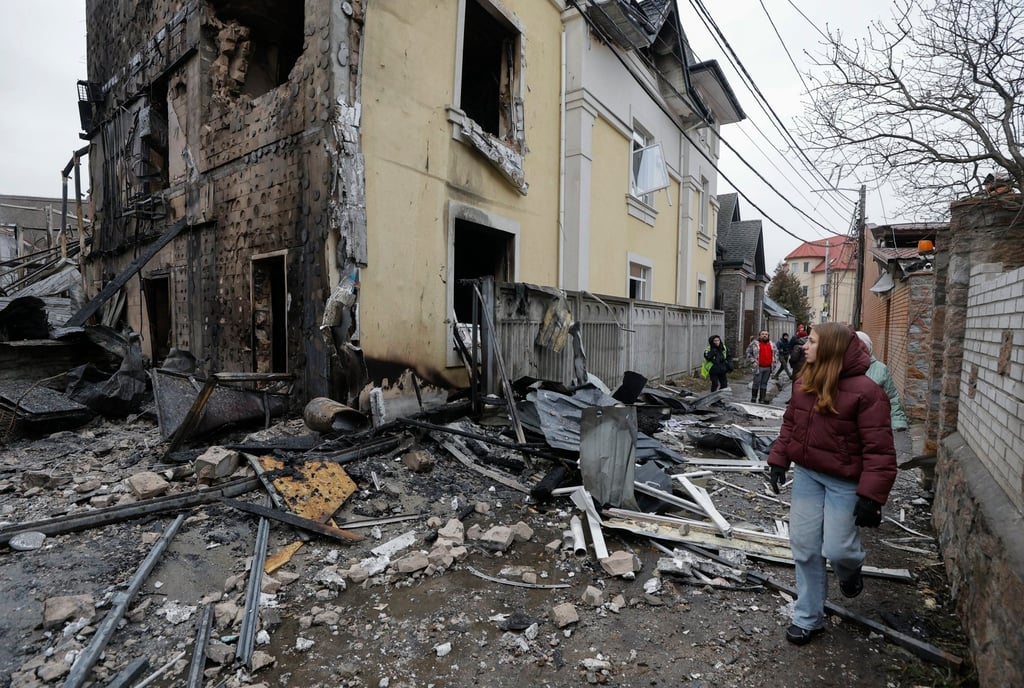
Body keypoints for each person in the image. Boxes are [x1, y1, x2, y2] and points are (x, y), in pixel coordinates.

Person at [766, 322, 897, 646]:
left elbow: (879, 450)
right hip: (809, 475)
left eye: (811, 342)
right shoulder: (804, 382)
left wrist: (872, 497)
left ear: (830, 349)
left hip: (845, 482)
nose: (804, 346)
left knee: (838, 549)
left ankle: (850, 570)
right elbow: (791, 426)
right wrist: (778, 460)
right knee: (805, 546)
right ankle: (808, 618)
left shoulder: (867, 393)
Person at [856, 332, 913, 465]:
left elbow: (892, 396)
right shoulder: (843, 367)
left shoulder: (881, 369)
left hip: (876, 424)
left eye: (863, 346)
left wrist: (898, 421)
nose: (860, 350)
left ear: (869, 348)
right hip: (852, 424)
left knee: (873, 458)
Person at [745, 330, 777, 403]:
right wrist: (753, 361)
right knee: (756, 383)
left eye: (766, 334)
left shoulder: (772, 344)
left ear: (768, 336)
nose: (764, 335)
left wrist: (774, 362)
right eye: (762, 334)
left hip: (768, 367)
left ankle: (762, 399)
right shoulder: (754, 344)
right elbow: (748, 353)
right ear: (759, 335)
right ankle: (753, 398)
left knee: (764, 383)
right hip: (758, 367)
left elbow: (776, 354)